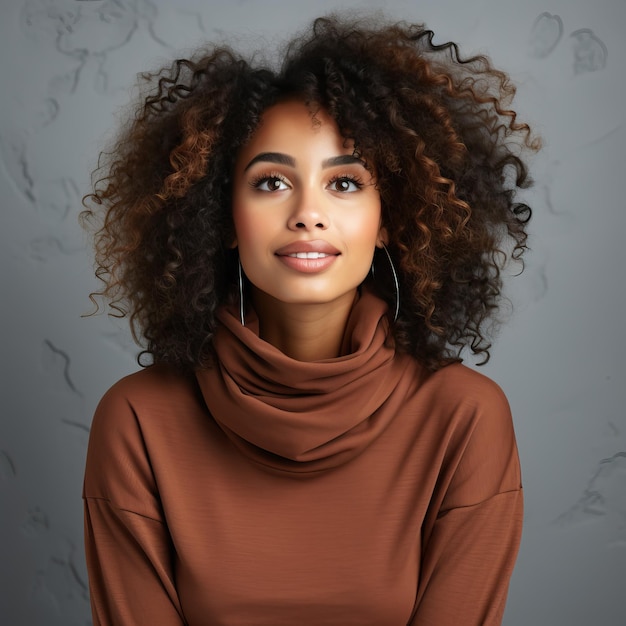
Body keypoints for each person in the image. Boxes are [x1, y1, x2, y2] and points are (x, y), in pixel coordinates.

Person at [81, 14, 539, 626]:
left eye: (345, 183)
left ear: (389, 219)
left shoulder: (462, 418)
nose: (308, 214)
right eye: (271, 182)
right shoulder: (138, 421)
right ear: (220, 217)